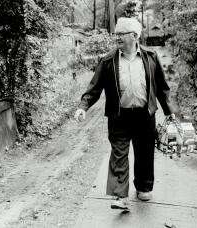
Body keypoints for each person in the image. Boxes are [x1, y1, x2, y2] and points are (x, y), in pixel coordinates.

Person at [74, 17, 176, 210]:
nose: (117, 37)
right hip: (119, 116)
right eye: (117, 34)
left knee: (145, 152)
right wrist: (83, 106)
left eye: (122, 34)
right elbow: (93, 88)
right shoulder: (108, 61)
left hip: (145, 116)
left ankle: (143, 186)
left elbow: (163, 88)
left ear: (135, 36)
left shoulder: (151, 57)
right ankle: (120, 196)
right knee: (119, 154)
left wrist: (169, 113)